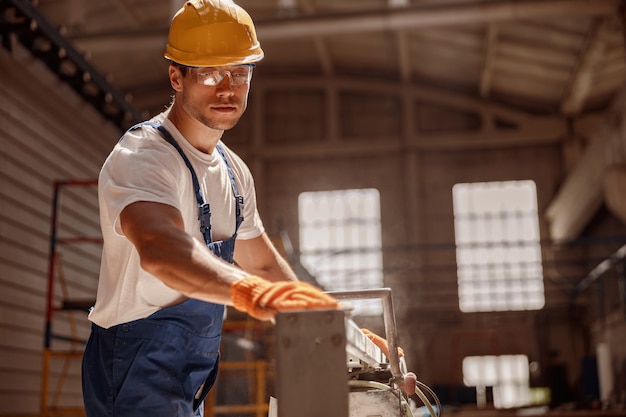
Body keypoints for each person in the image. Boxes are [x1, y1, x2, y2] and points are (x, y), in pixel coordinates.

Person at [81, 1, 339, 416]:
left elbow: (266, 267)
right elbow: (160, 248)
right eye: (209, 73)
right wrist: (248, 292)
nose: (227, 88)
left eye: (239, 73)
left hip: (190, 376)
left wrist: (336, 328)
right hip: (134, 371)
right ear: (176, 77)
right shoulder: (144, 156)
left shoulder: (234, 172)